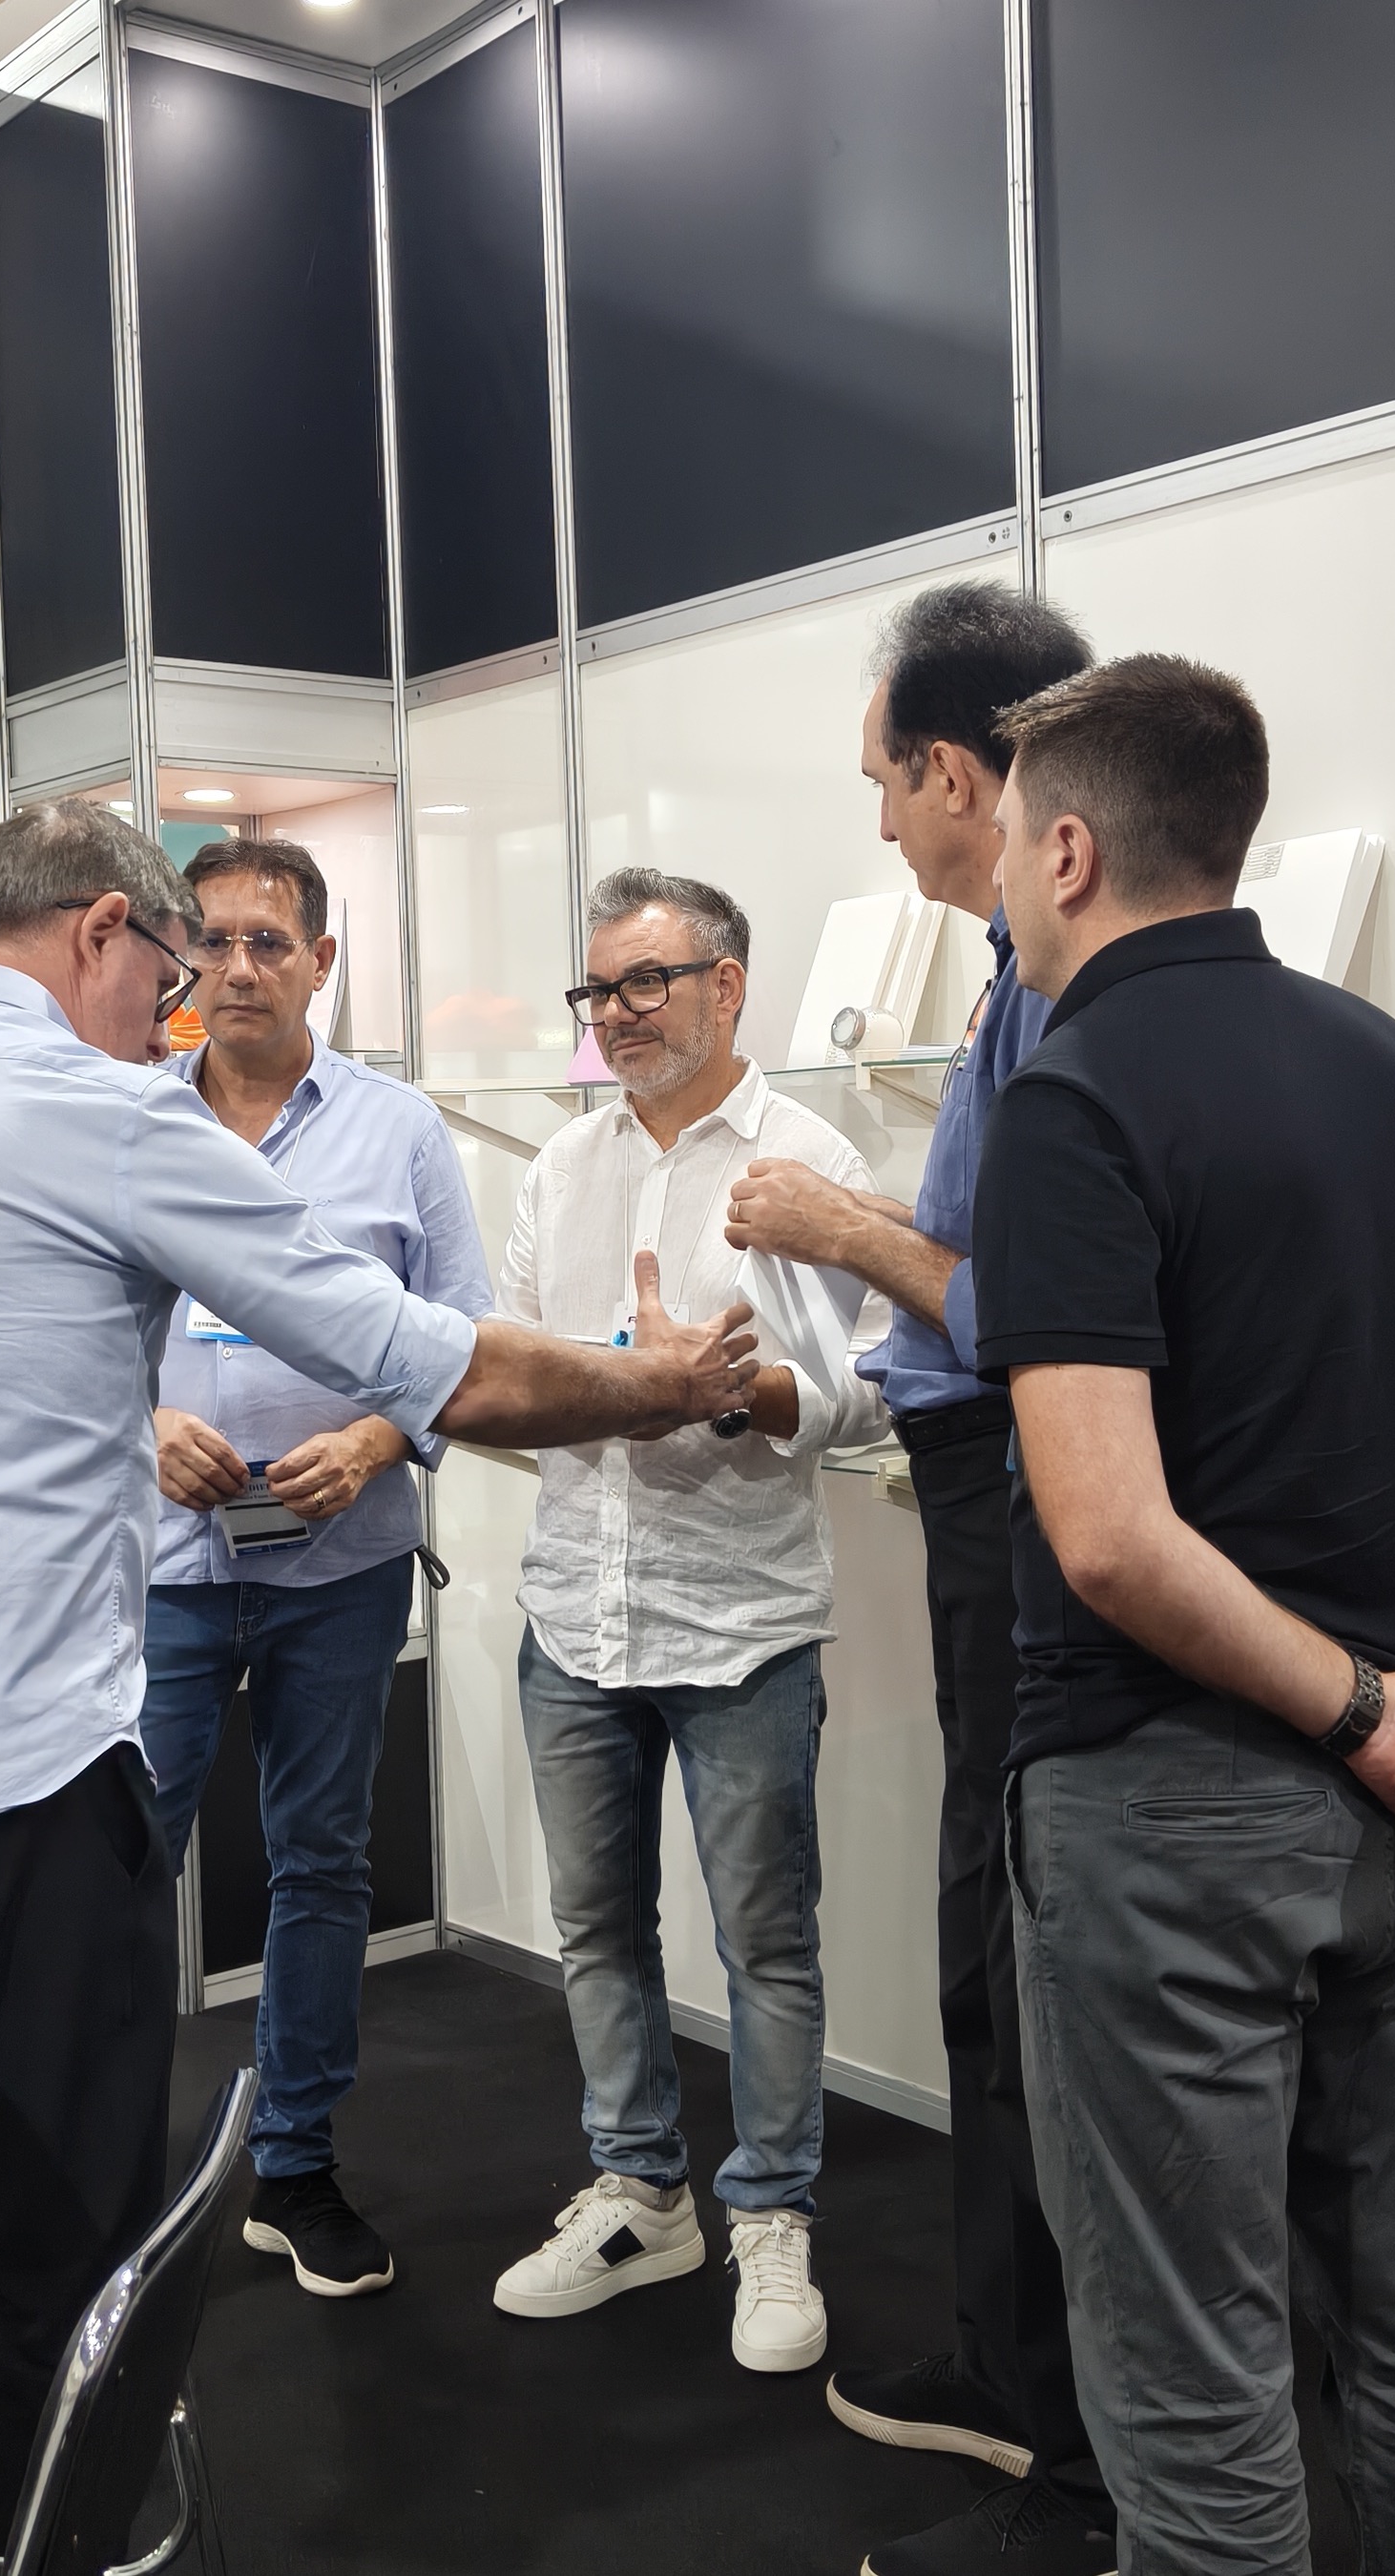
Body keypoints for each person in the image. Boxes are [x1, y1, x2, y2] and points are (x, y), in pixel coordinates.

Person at [0, 800, 758, 2556]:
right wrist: (664, 1384)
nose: (174, 1016)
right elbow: (437, 1366)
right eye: (167, 975)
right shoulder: (103, 1111)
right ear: (103, 930)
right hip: (11, 1774)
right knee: (59, 2275)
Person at [971, 656, 1395, 2574]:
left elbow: (1111, 1541)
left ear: (1072, 850)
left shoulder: (1069, 1100)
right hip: (1390, 1816)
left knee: (1190, 2372)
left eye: (1008, 843)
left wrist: (1381, 1711)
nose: (999, 883)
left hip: (1178, 1814)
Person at [723, 583, 1113, 2574]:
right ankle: (1023, 2359)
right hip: (989, 1500)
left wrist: (842, 1228)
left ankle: (1064, 2415)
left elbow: (1038, 1304)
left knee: (1022, 1940)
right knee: (993, 1933)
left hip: (1029, 1514)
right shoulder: (1019, 981)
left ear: (964, 775)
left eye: (887, 781)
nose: (879, 820)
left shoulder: (1066, 990)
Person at [489, 867, 891, 2376]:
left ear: (728, 985)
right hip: (573, 1614)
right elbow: (512, 1360)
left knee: (764, 1941)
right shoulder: (561, 1165)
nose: (616, 1013)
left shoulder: (810, 1161)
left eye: (645, 982)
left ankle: (771, 2213)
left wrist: (730, 1393)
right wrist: (614, 1383)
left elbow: (868, 1390)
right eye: (599, 989)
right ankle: (641, 2194)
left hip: (739, 1623)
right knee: (596, 1927)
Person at [141, 836, 493, 2298]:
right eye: (211, 941)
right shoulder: (122, 1121)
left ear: (321, 962)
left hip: (341, 1561)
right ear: (178, 957)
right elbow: (59, 1332)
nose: (236, 968)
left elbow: (462, 1339)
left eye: (268, 943)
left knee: (322, 1862)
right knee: (118, 1862)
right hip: (160, 1564)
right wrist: (140, 1420)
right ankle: (100, 2171)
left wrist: (376, 1438)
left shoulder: (399, 1133)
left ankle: (294, 2168)